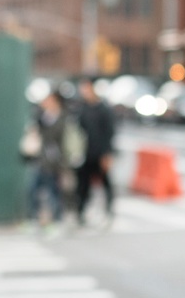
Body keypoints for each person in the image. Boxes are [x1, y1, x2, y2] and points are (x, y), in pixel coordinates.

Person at [74, 78, 116, 226]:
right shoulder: (81, 109)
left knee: (105, 183)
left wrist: (107, 154)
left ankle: (109, 210)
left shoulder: (104, 109)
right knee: (83, 184)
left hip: (100, 153)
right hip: (85, 154)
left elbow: (109, 133)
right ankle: (81, 212)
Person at [24, 91, 68, 229]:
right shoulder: (41, 116)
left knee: (53, 192)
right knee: (33, 190)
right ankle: (33, 219)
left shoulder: (63, 118)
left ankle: (56, 220)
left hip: (54, 162)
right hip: (39, 160)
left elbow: (62, 141)